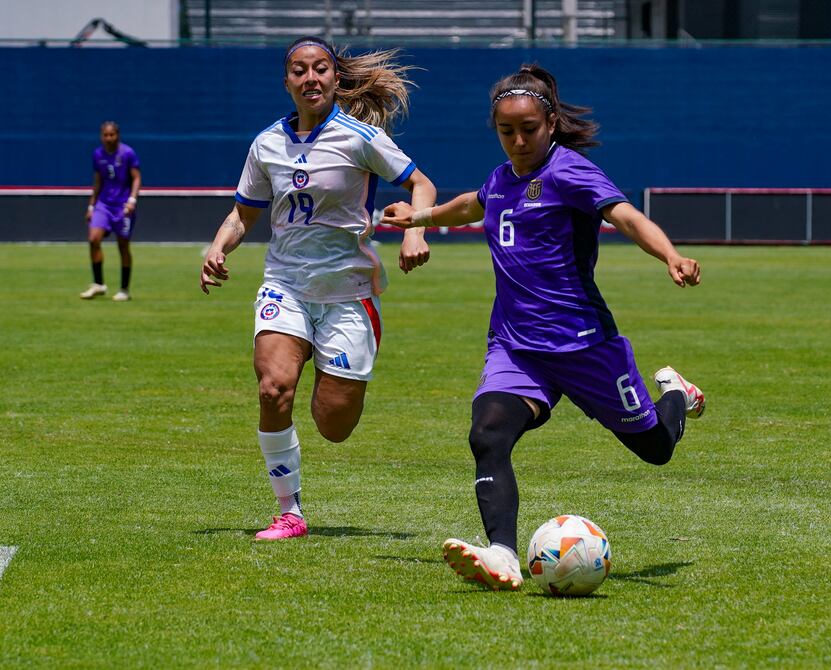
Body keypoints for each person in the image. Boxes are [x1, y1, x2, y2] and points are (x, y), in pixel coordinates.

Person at [381, 64, 704, 590]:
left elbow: (625, 216)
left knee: (657, 449)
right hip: (516, 346)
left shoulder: (569, 172)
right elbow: (475, 205)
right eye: (506, 132)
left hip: (584, 346)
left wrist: (669, 254)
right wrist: (420, 218)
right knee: (487, 433)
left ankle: (677, 395)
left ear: (550, 123)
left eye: (528, 129)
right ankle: (503, 555)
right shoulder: (502, 177)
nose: (517, 140)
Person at [200, 37, 435, 540]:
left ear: (334, 78)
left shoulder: (360, 137)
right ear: (286, 81)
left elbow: (422, 185)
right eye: (300, 70)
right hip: (285, 283)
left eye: (321, 69)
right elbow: (243, 214)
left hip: (348, 292)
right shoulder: (266, 144)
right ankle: (290, 511)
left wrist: (414, 229)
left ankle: (338, 371)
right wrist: (220, 246)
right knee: (273, 387)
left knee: (334, 425)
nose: (311, 78)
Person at [80, 121, 141, 301]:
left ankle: (124, 289)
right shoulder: (97, 154)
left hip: (123, 206)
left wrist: (132, 200)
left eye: (111, 135)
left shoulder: (128, 153)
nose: (108, 138)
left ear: (117, 135)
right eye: (105, 135)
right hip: (103, 205)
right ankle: (98, 284)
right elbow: (98, 182)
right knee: (93, 239)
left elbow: (137, 178)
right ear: (101, 136)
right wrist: (92, 206)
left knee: (123, 246)